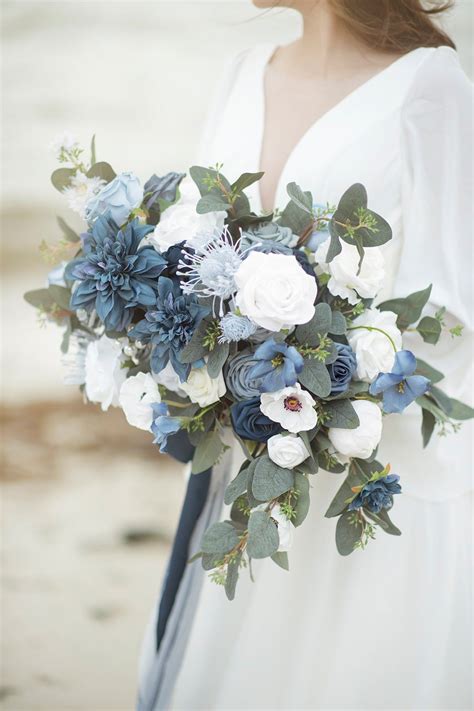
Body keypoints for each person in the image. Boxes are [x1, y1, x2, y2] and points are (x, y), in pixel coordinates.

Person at [141, 1, 473, 708]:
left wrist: (326, 380)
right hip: (250, 475)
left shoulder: (429, 85)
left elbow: (455, 312)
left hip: (372, 482)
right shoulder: (242, 73)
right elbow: (188, 250)